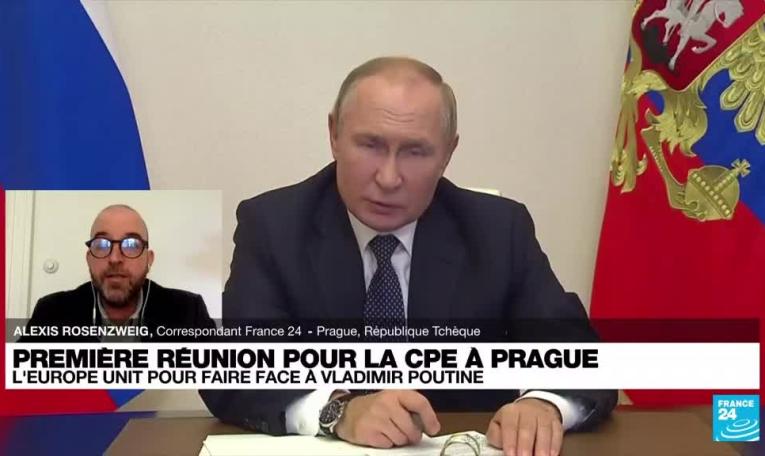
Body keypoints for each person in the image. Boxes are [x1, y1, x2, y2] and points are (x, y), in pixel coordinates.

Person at [201, 56, 617, 456]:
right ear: (334, 134)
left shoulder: (498, 230)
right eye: (370, 145)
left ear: (448, 153)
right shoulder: (273, 226)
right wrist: (338, 410)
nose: (388, 178)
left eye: (415, 152)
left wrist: (544, 404)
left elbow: (581, 356)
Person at [19, 204, 215, 342]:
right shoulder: (51, 312)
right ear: (89, 259)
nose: (114, 258)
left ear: (149, 259)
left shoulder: (189, 312)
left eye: (131, 245)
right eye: (101, 245)